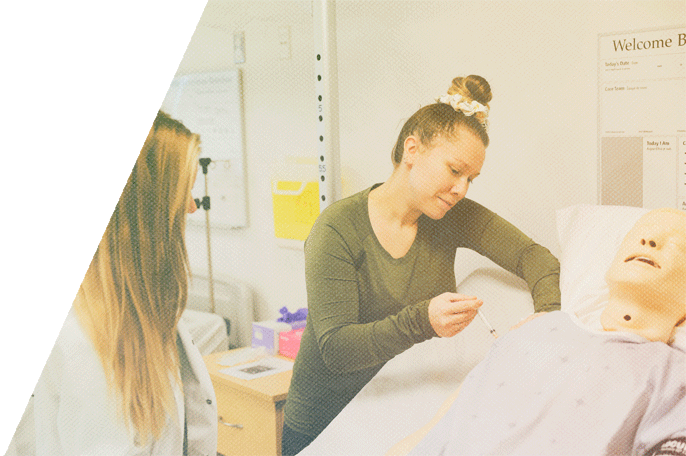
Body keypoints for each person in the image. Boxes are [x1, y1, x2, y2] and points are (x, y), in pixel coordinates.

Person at [282, 75, 562, 455]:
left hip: (399, 412)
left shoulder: (452, 215)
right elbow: (337, 348)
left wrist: (547, 319)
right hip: (326, 422)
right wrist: (424, 320)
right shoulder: (338, 228)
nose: (461, 188)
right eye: (454, 170)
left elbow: (535, 257)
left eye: (470, 179)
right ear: (412, 149)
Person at [387, 208, 686, 456]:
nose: (648, 240)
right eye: (636, 235)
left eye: (678, 244)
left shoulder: (674, 373)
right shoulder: (536, 330)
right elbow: (435, 429)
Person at [27, 111, 218, 455]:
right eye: (184, 192)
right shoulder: (83, 341)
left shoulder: (138, 309)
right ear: (147, 209)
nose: (191, 206)